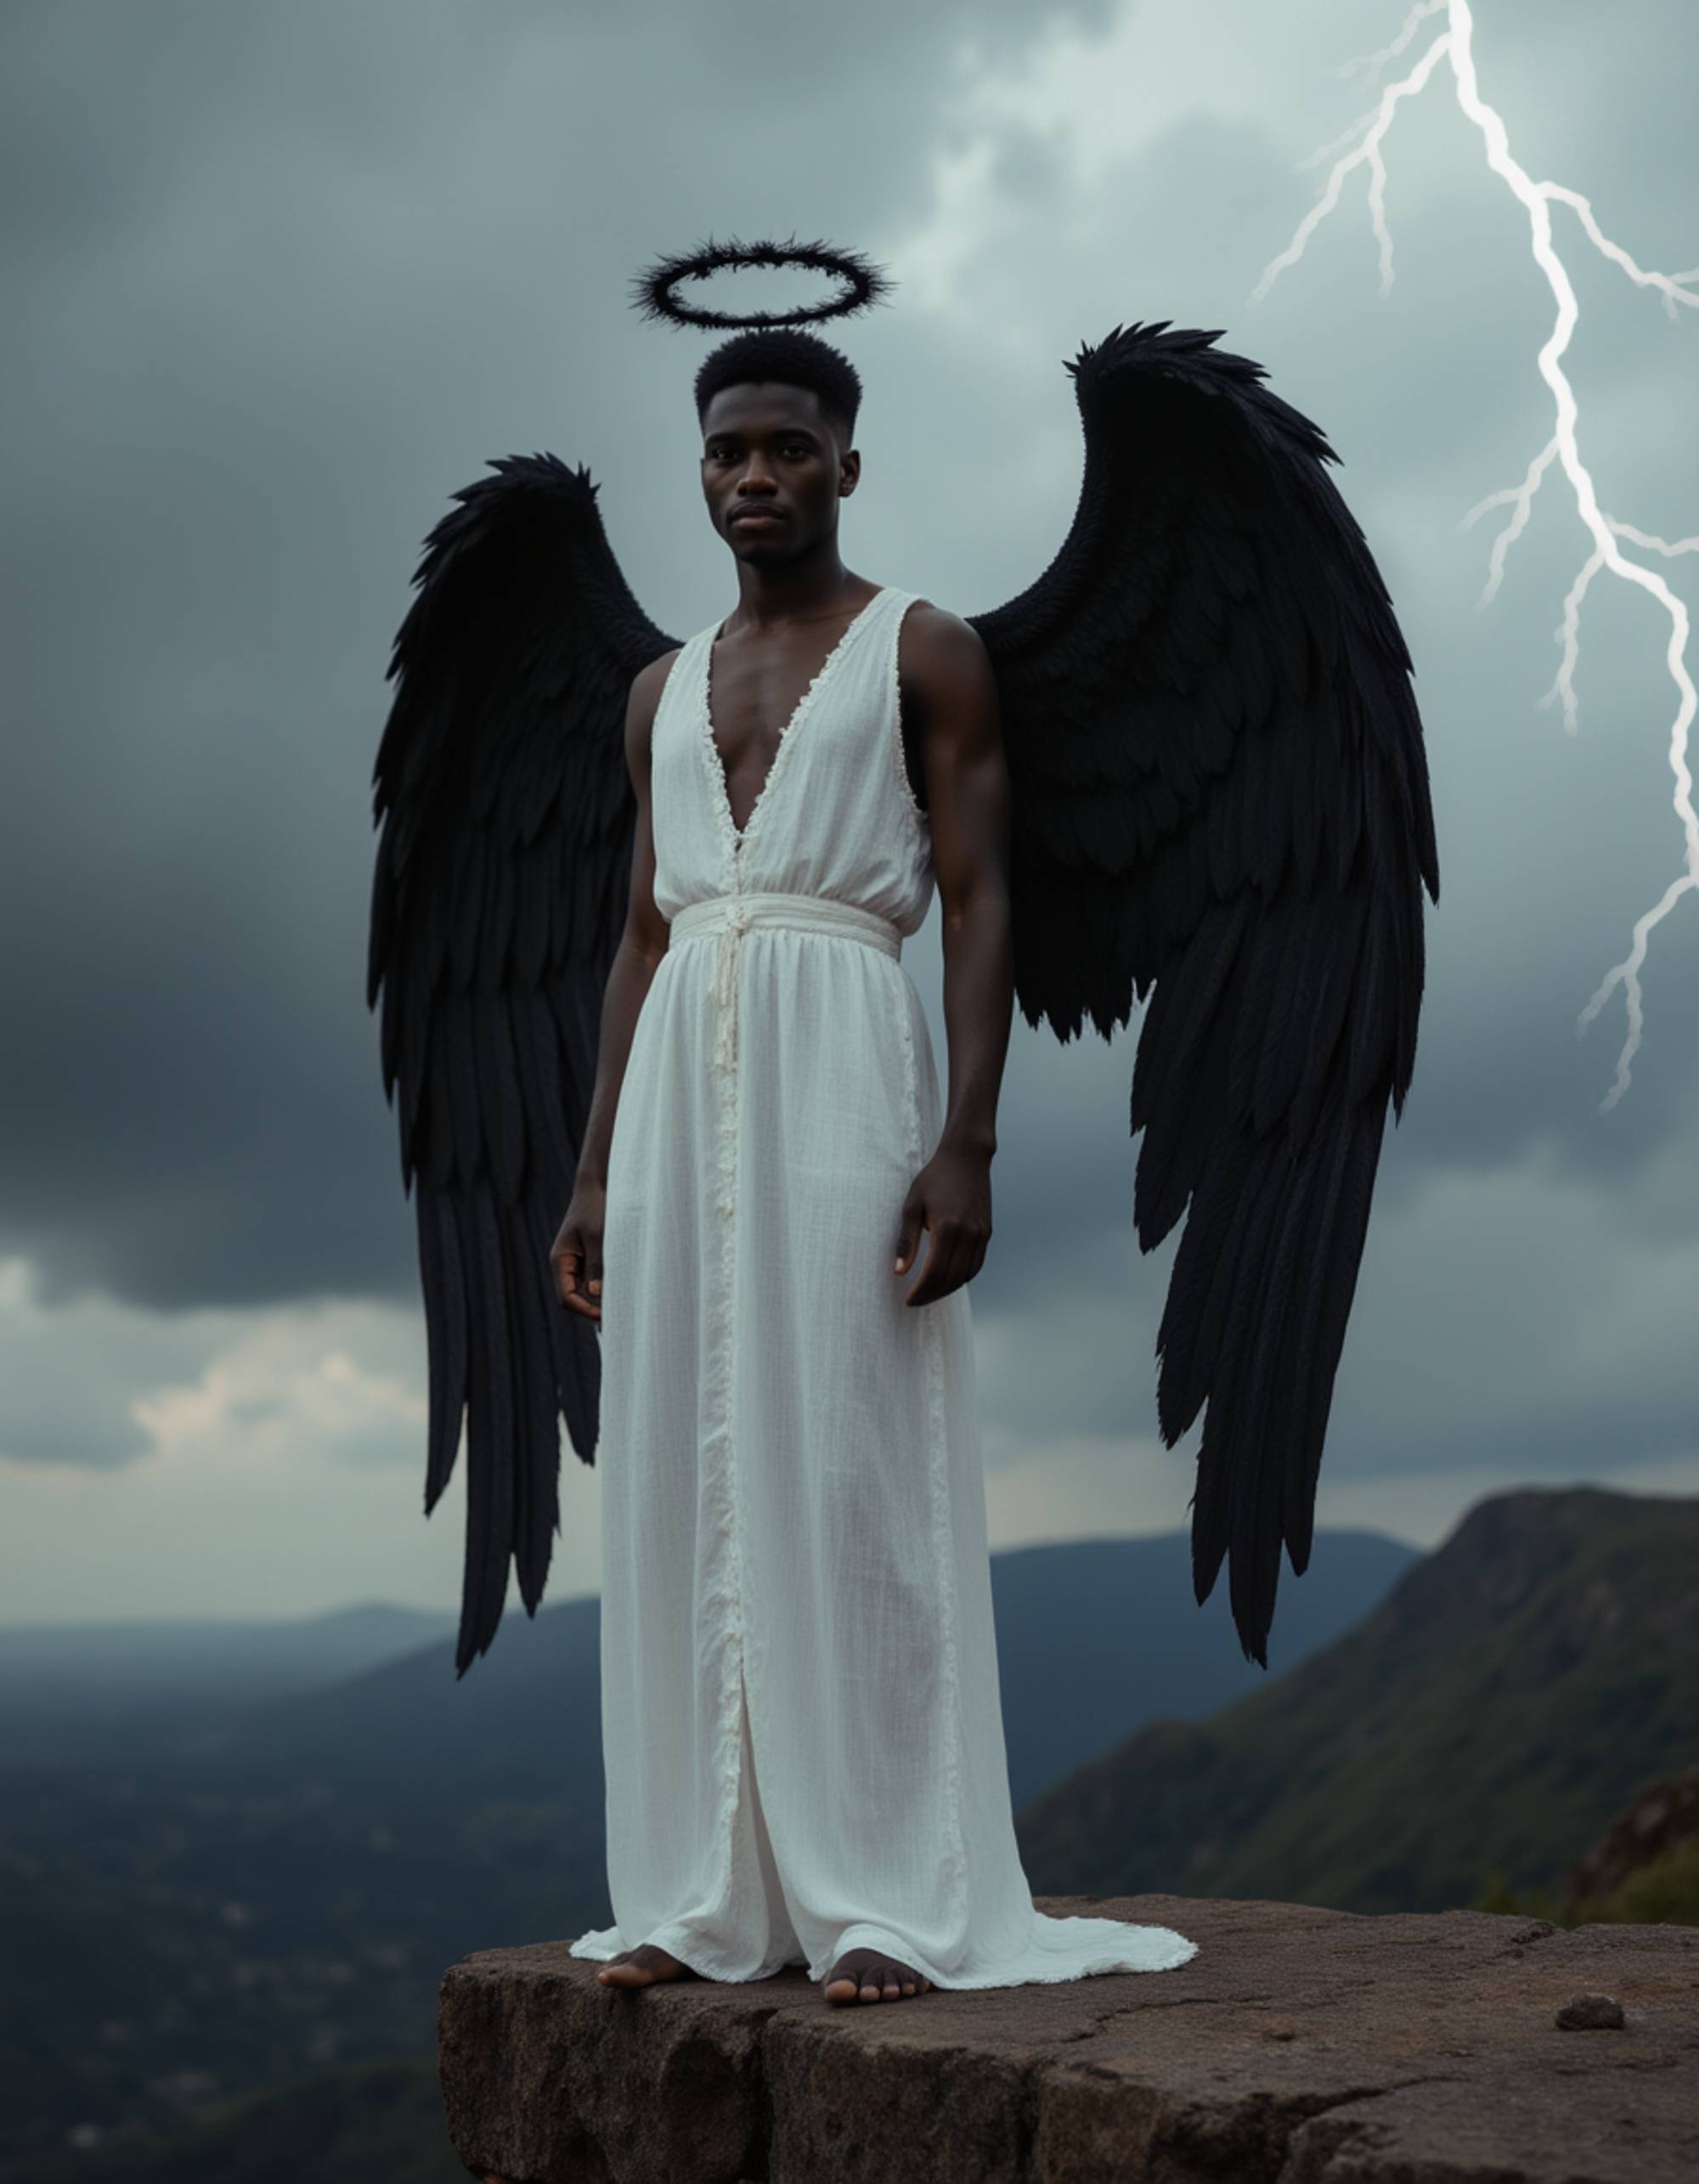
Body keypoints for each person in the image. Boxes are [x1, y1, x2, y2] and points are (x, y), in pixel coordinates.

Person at [550, 328, 1199, 2006]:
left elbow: (983, 899)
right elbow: (637, 930)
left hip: (846, 1038)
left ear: (846, 461)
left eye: (782, 445)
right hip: (682, 1059)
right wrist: (591, 1167)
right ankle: (706, 1898)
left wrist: (964, 1139)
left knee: (847, 1447)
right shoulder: (655, 691)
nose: (750, 475)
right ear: (699, 472)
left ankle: (883, 1901)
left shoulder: (927, 648)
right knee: (688, 1464)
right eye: (723, 451)